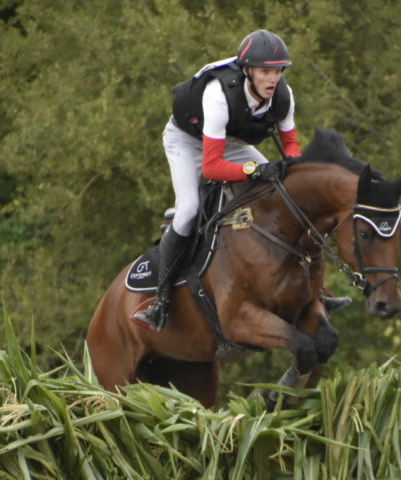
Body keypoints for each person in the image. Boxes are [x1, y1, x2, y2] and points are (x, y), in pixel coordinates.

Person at [134, 29, 349, 332]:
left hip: (232, 143)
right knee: (188, 211)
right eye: (265, 71)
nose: (272, 79)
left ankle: (319, 294)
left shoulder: (283, 97)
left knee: (285, 197)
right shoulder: (219, 94)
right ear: (248, 71)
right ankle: (161, 299)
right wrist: (254, 171)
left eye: (277, 71)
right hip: (187, 142)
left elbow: (291, 149)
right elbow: (211, 167)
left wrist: (294, 175)